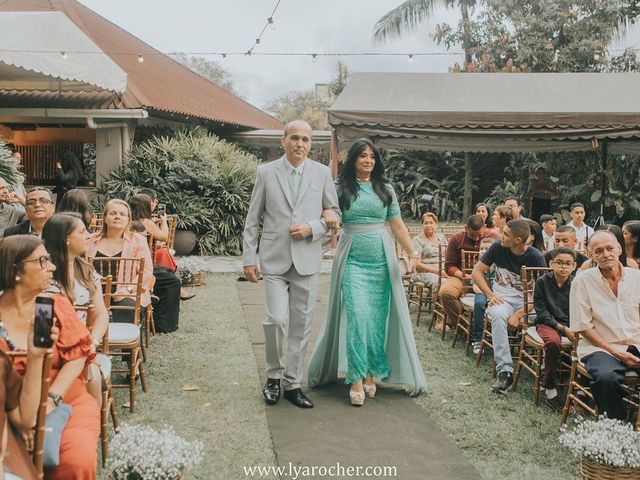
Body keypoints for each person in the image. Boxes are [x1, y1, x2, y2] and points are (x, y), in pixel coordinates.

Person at [308, 139, 426, 405]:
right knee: (357, 316)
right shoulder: (339, 187)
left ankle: (371, 372)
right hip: (352, 259)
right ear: (353, 160)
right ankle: (356, 378)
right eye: (363, 156)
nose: (368, 161)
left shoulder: (385, 188)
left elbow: (396, 225)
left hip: (383, 261)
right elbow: (325, 213)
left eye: (372, 156)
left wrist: (412, 252)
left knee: (375, 321)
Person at [242, 120, 340, 409]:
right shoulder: (265, 172)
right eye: (295, 138)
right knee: (276, 320)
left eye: (306, 139)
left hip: (307, 260)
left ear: (311, 144)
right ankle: (273, 376)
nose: (300, 143)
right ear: (283, 141)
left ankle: (293, 384)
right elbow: (252, 220)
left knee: (301, 325)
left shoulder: (322, 174)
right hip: (274, 260)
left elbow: (334, 213)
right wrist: (249, 258)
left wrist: (313, 227)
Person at [0, 235, 100, 479]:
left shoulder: (53, 304)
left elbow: (78, 355)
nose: (52, 267)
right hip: (9, 412)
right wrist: (25, 421)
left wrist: (52, 400)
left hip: (66, 400)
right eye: (43, 261)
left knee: (76, 462)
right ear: (16, 271)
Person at [569, 230, 640, 421]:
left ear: (619, 248)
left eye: (609, 248)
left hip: (635, 342)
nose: (605, 254)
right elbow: (583, 326)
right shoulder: (582, 281)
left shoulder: (636, 277)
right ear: (591, 254)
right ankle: (615, 428)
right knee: (606, 378)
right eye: (598, 251)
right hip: (599, 347)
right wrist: (616, 353)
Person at [471, 219, 547, 394]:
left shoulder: (536, 256)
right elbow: (477, 272)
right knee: (497, 316)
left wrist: (520, 314)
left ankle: (545, 371)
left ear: (518, 240)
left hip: (527, 303)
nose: (500, 236)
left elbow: (542, 293)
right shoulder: (497, 247)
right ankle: (505, 371)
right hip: (502, 298)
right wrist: (490, 295)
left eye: (505, 234)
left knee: (546, 318)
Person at [42, 213, 110, 406]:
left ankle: (90, 425)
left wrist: (93, 342)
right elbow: (42, 324)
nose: (88, 235)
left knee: (93, 375)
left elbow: (101, 314)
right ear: (66, 239)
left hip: (84, 345)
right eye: (82, 232)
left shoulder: (86, 269)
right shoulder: (45, 275)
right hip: (54, 346)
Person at [86, 199, 153, 325]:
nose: (117, 217)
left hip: (126, 294)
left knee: (126, 308)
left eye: (122, 214)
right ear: (105, 218)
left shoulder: (138, 241)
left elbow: (146, 272)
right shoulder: (90, 241)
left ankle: (122, 342)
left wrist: (127, 289)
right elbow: (80, 266)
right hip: (93, 293)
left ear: (128, 219)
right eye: (113, 213)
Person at [128, 194, 183, 332]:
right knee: (173, 281)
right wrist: (164, 221)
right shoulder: (146, 222)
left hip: (134, 265)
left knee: (168, 272)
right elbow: (164, 237)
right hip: (141, 267)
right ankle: (164, 324)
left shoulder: (129, 221)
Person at [533, 247, 576, 412]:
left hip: (571, 323)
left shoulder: (576, 284)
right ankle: (550, 389)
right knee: (553, 342)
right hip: (548, 323)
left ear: (574, 266)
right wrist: (563, 329)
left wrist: (573, 329)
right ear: (551, 264)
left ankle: (579, 391)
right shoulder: (542, 282)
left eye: (568, 264)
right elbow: (541, 312)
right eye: (559, 263)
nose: (563, 267)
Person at [438, 214, 499, 330]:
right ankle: (462, 324)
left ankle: (487, 327)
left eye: (479, 235)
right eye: (472, 235)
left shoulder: (494, 238)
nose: (476, 238)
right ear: (466, 228)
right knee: (446, 292)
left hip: (488, 279)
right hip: (462, 277)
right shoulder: (456, 239)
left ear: (485, 227)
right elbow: (449, 266)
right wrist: (465, 276)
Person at [471, 237, 496, 355]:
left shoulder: (498, 267)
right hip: (481, 293)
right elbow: (475, 287)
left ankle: (499, 337)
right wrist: (486, 294)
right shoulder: (478, 266)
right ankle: (478, 338)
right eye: (481, 248)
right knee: (479, 304)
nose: (483, 251)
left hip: (496, 294)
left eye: (486, 249)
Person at [409, 212, 447, 289]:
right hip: (423, 272)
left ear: (436, 225)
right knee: (440, 282)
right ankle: (437, 301)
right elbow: (417, 263)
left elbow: (449, 254)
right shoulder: (417, 240)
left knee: (455, 281)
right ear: (422, 225)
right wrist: (436, 271)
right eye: (426, 223)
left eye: (431, 223)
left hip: (443, 270)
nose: (428, 226)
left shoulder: (441, 237)